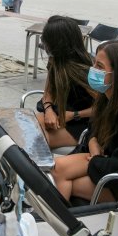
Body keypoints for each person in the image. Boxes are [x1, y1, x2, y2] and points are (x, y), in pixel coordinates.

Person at [51, 40, 118, 203]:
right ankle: (60, 218)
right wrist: (93, 141)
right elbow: (93, 128)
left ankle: (63, 222)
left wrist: (96, 161)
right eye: (94, 63)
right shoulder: (107, 96)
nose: (93, 70)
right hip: (107, 162)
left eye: (99, 66)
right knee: (57, 167)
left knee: (68, 181)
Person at [37, 16, 95, 149]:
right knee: (23, 128)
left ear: (58, 44)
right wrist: (48, 109)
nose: (44, 45)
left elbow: (107, 107)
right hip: (62, 113)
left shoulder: (84, 71)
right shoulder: (55, 61)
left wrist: (75, 115)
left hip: (84, 123)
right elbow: (49, 91)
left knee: (36, 142)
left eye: (46, 41)